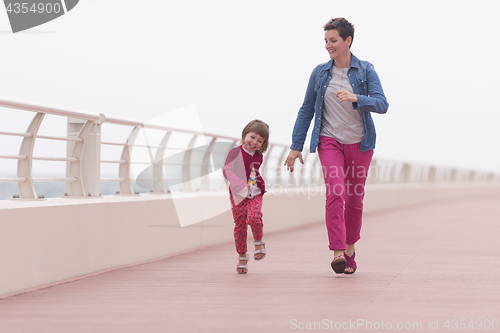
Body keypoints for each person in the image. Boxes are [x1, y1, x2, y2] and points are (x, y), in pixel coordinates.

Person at [284, 18, 388, 274]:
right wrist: (296, 145)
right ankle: (338, 252)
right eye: (326, 41)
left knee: (354, 200)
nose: (328, 46)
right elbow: (307, 108)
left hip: (360, 144)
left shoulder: (365, 70)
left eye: (333, 41)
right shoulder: (320, 72)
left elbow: (382, 104)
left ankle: (350, 251)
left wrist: (357, 98)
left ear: (347, 41)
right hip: (329, 141)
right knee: (335, 192)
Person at [223, 119, 269, 274]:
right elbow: (227, 171)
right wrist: (240, 184)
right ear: (244, 135)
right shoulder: (235, 152)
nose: (254, 142)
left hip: (255, 193)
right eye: (252, 137)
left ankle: (258, 242)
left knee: (254, 217)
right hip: (237, 196)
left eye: (259, 141)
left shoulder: (258, 156)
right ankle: (242, 255)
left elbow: (254, 172)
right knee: (240, 226)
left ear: (263, 144)